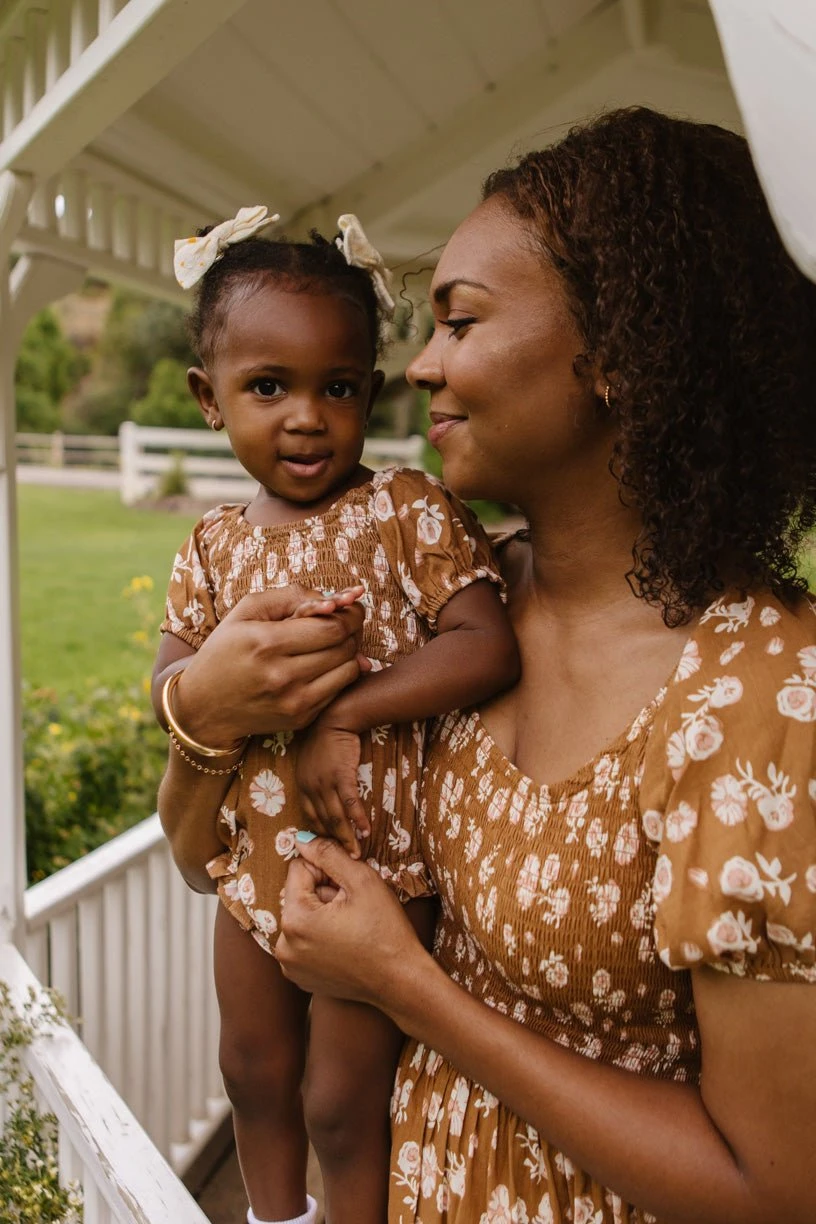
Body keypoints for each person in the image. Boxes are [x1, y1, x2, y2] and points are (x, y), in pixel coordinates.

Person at [271, 107, 816, 1224]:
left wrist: (403, 985)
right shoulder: (455, 608)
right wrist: (197, 722)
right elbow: (206, 847)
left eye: (460, 321)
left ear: (618, 352)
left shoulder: (761, 693)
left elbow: (776, 1186)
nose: (418, 367)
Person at [153, 209, 519, 1224]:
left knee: (342, 1102)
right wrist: (193, 698)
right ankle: (275, 1217)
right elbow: (173, 677)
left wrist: (342, 712)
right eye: (268, 387)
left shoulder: (403, 509)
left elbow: (486, 643)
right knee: (252, 1070)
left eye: (338, 386)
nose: (307, 417)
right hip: (250, 867)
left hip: (377, 869)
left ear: (370, 385)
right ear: (209, 400)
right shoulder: (214, 545)